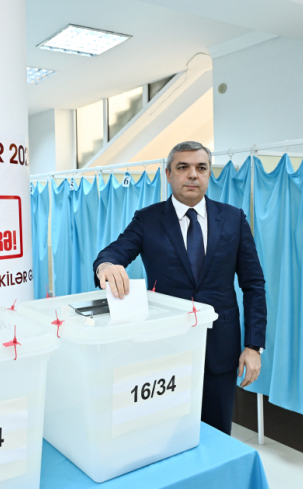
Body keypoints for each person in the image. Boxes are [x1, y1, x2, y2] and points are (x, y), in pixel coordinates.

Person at [93, 141, 267, 436]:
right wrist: (106, 266)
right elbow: (113, 253)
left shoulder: (233, 219)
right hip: (165, 347)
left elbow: (253, 285)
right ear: (168, 174)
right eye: (183, 167)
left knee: (216, 433)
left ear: (209, 173)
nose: (192, 175)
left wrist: (253, 346)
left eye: (201, 168)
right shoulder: (147, 220)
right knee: (164, 432)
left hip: (220, 349)